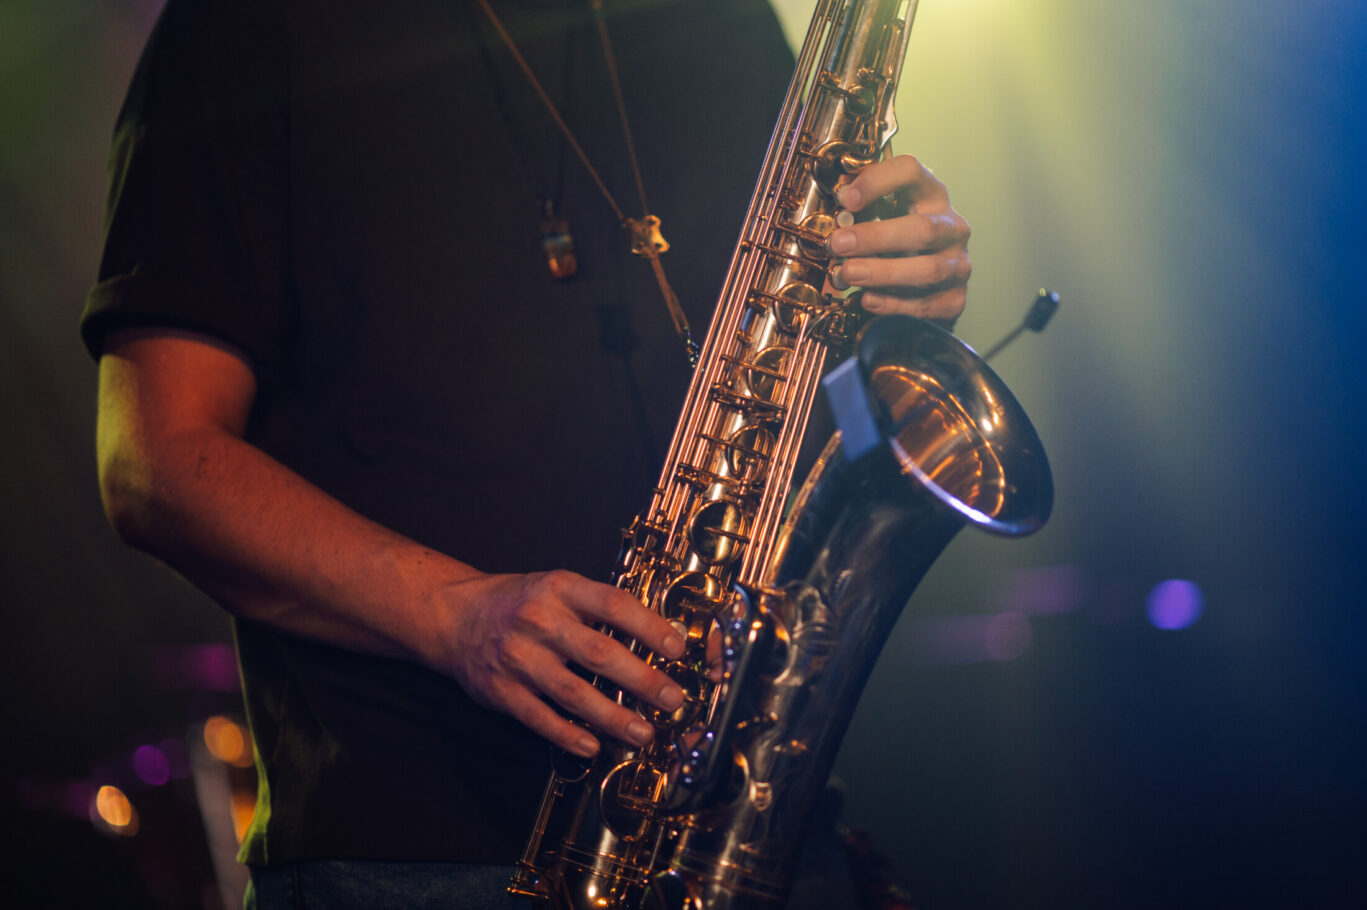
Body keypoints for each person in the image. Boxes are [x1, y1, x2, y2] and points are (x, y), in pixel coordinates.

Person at [83, 0, 971, 905]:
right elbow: (154, 462)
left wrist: (898, 290)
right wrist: (456, 616)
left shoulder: (719, 19)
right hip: (423, 860)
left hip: (756, 827)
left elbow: (782, 391)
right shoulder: (247, 27)